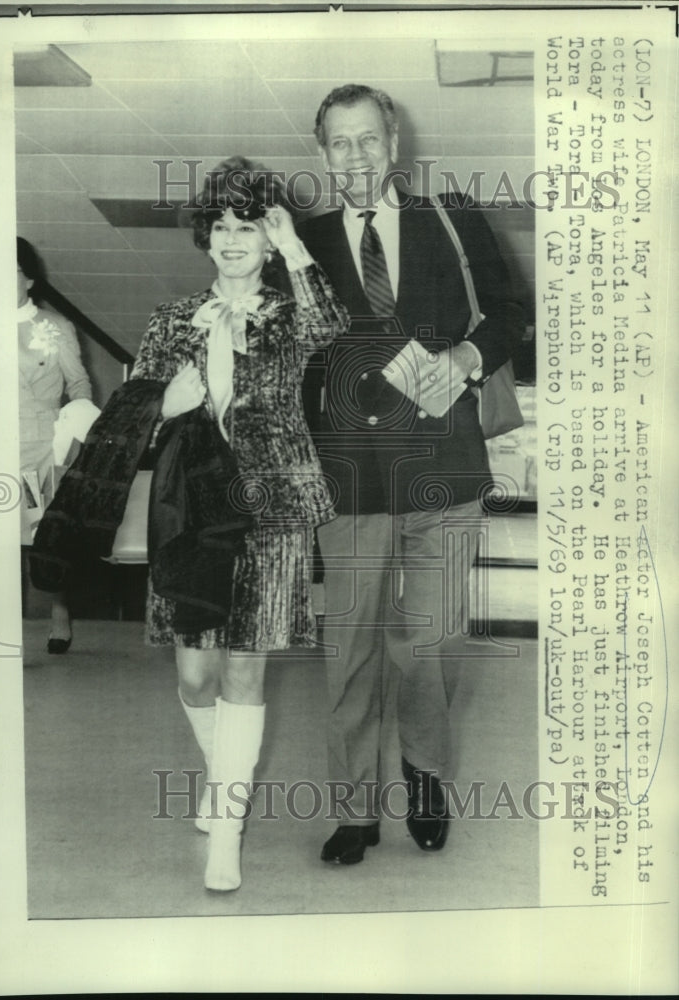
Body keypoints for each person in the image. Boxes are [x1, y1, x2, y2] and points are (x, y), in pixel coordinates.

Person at [299, 84, 526, 864]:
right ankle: (354, 810)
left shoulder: (452, 221)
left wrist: (466, 357)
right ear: (320, 153)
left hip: (443, 471)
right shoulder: (302, 241)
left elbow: (507, 310)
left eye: (368, 140)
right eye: (339, 142)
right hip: (349, 478)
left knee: (427, 641)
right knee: (351, 646)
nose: (355, 156)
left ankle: (424, 775)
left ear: (393, 144)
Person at [129, 157, 348, 892]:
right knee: (195, 675)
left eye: (246, 226)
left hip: (274, 511)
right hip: (192, 510)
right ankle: (221, 774)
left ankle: (226, 830)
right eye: (220, 226)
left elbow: (335, 323)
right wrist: (165, 406)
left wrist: (293, 245)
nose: (230, 239)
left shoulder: (289, 316)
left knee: (245, 667)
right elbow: (128, 414)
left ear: (264, 235)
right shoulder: (170, 320)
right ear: (205, 235)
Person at [17, 236, 93, 654]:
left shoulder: (54, 327)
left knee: (42, 534)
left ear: (28, 279)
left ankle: (59, 611)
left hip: (39, 449)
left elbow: (79, 382)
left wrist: (76, 422)